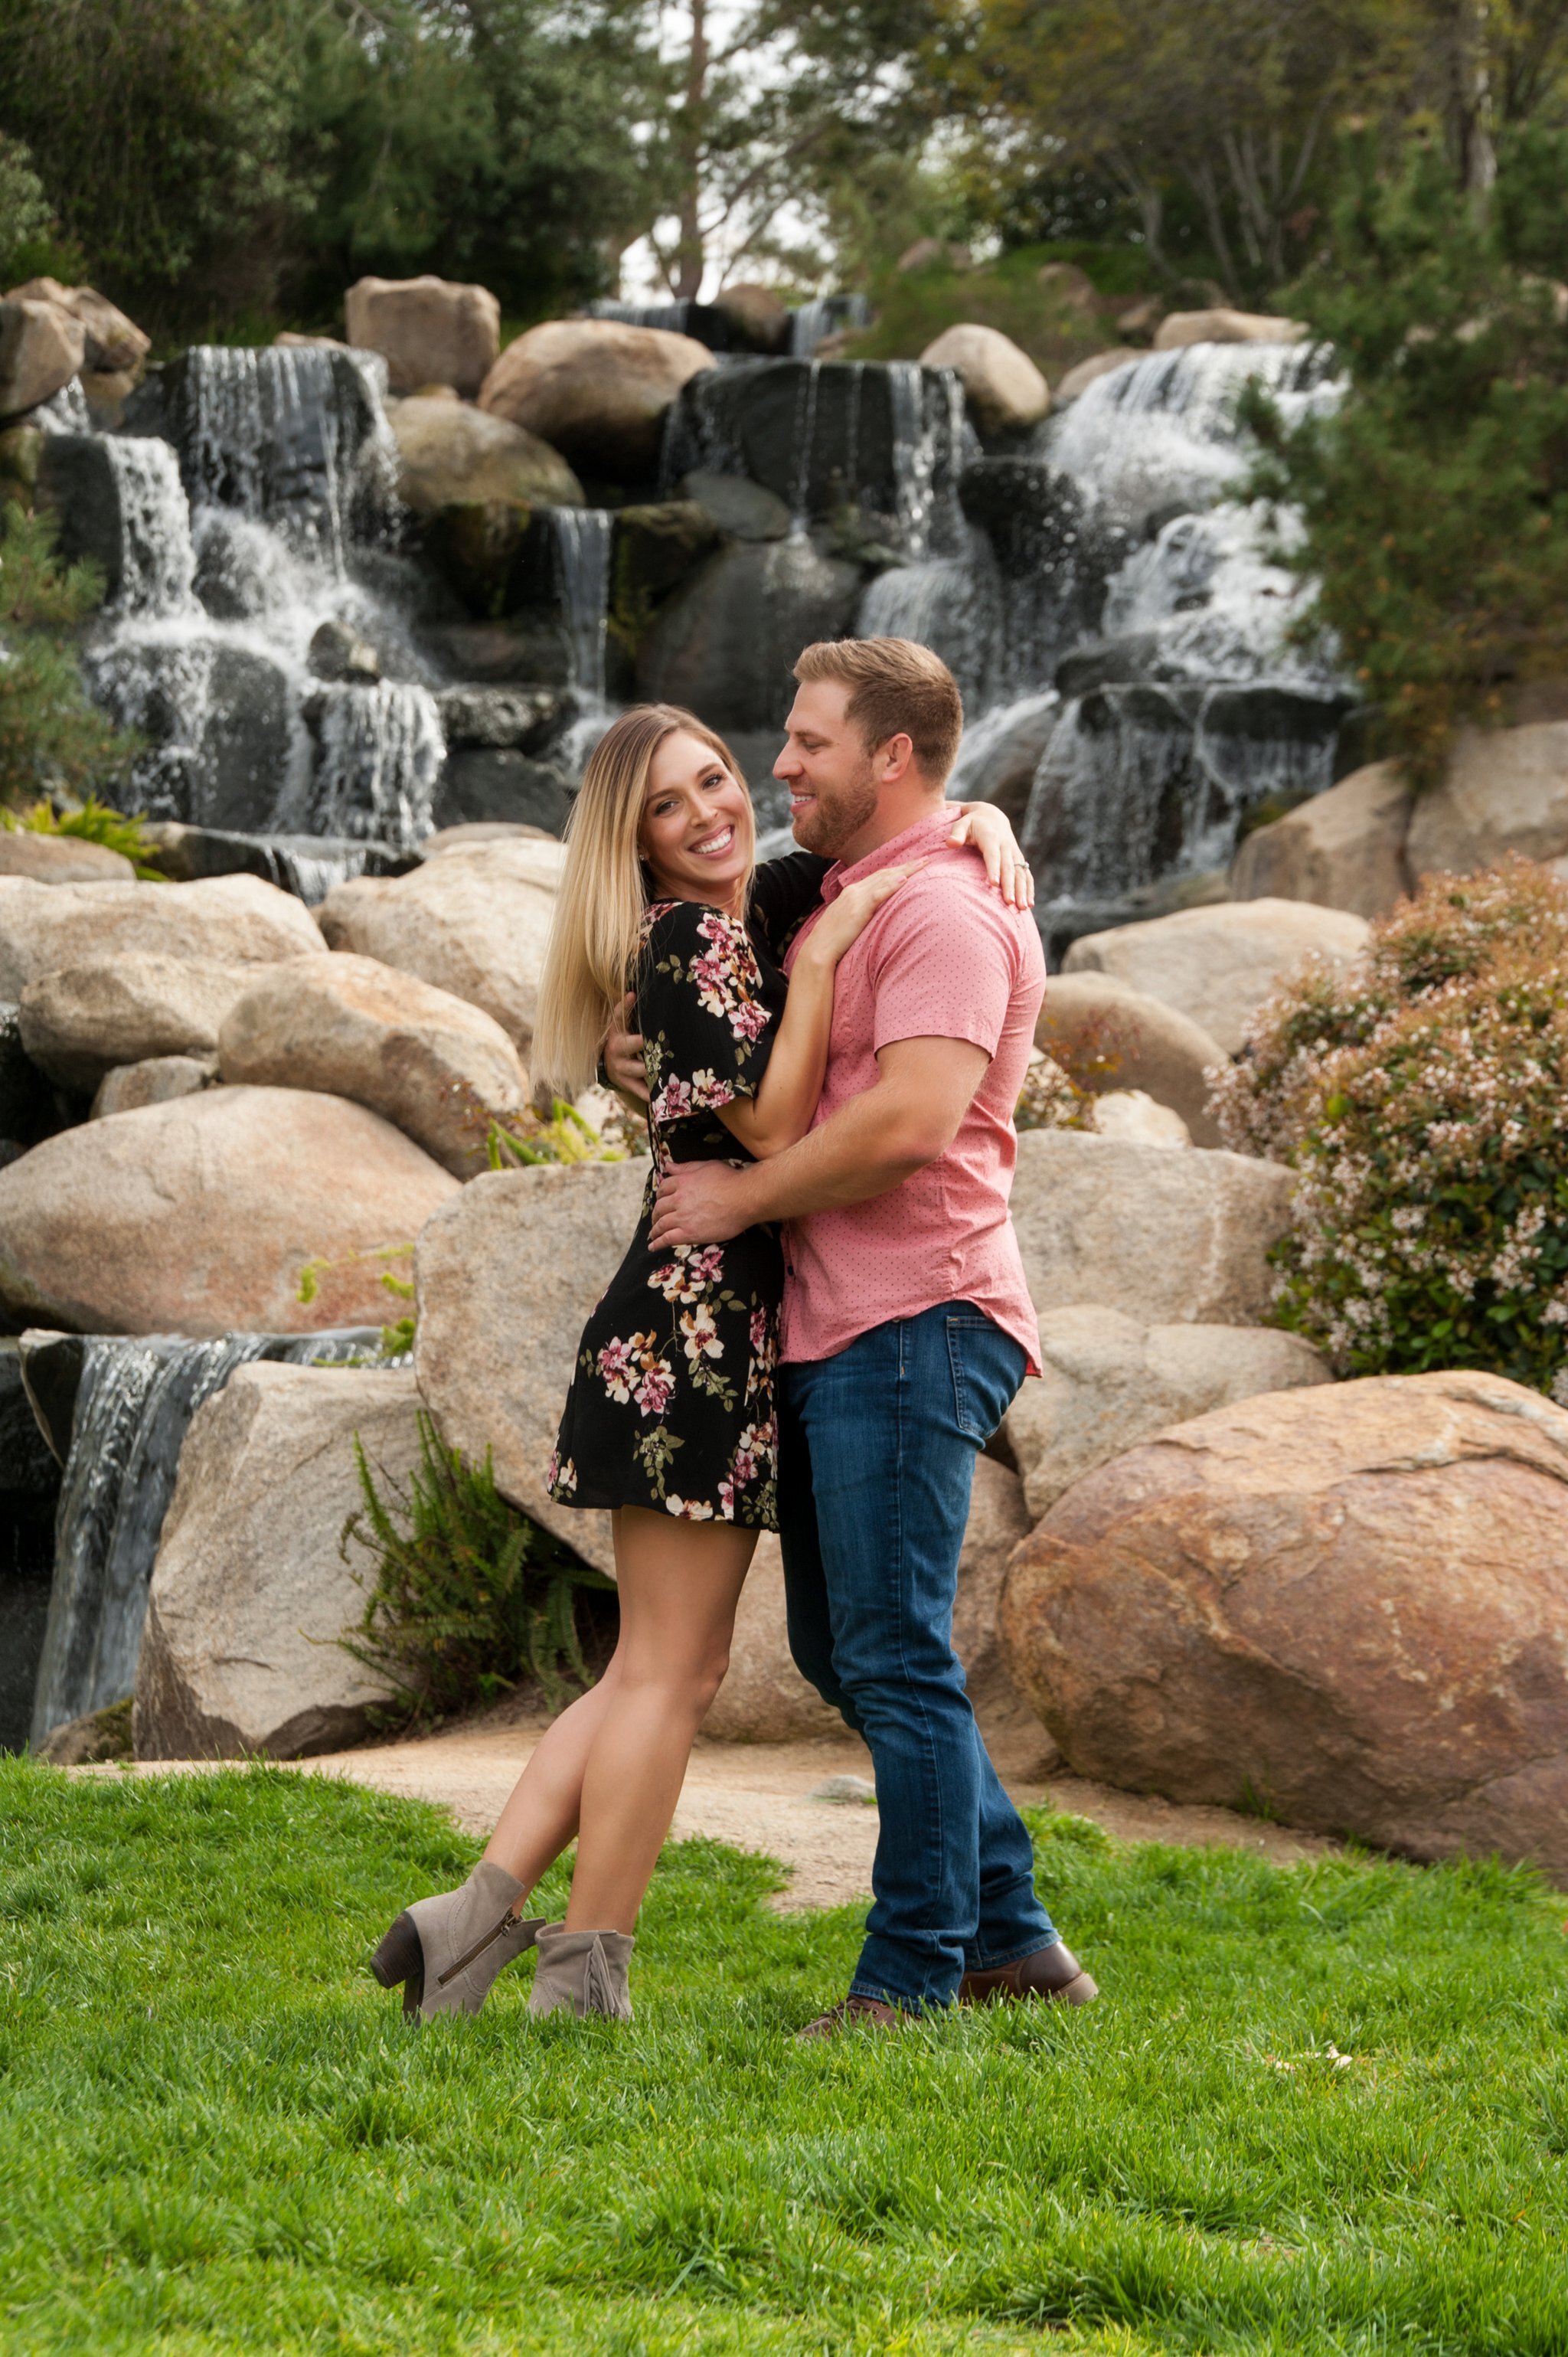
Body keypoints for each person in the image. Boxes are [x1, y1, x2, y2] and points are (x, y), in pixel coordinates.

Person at [370, 698, 1034, 2026]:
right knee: (670, 1673)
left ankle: (473, 1918)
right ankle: (580, 1971)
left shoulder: (757, 905)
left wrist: (979, 814)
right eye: (667, 806)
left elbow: (894, 825)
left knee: (652, 1667)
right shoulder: (691, 939)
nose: (712, 812)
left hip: (706, 1331)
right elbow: (776, 1124)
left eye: (716, 778)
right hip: (693, 1337)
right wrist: (830, 956)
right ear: (637, 845)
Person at [645, 639, 1097, 2035]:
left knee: (894, 1653)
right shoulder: (850, 887)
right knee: (849, 1651)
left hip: (918, 1313)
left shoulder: (945, 910)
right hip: (846, 1323)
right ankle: (1015, 1939)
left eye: (810, 742)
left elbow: (910, 1124)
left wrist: (742, 1195)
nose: (780, 763)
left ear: (890, 756)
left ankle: (908, 1977)